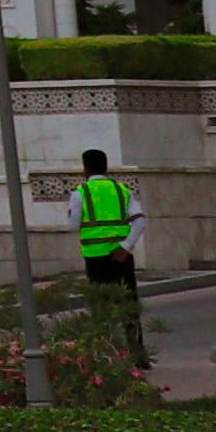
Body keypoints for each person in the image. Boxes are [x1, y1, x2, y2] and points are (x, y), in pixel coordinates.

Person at [75, 149, 139, 357]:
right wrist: (126, 246)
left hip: (95, 258)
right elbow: (140, 221)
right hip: (121, 256)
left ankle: (105, 354)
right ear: (106, 166)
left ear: (85, 168)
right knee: (128, 304)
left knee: (100, 307)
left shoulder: (81, 193)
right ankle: (138, 354)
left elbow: (72, 224)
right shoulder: (122, 190)